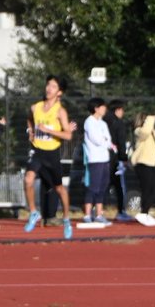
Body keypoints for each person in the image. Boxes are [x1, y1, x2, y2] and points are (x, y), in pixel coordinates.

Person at [22, 75, 77, 239]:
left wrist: (49, 131)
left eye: (53, 86)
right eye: (48, 85)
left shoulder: (60, 111)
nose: (49, 88)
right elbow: (29, 119)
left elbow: (68, 136)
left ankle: (67, 219)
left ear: (59, 92)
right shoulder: (35, 107)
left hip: (52, 155)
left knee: (59, 189)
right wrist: (30, 131)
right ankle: (33, 212)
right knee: (28, 179)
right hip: (38, 152)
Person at [81, 97, 114, 224]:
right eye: (102, 106)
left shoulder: (103, 123)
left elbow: (108, 140)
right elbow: (97, 140)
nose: (105, 109)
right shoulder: (89, 122)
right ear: (96, 108)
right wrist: (105, 141)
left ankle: (99, 215)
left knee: (103, 186)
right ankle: (87, 214)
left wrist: (106, 141)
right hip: (94, 159)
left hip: (105, 158)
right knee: (93, 187)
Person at [130, 112, 155, 226]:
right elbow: (145, 131)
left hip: (153, 164)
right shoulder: (138, 131)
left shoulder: (152, 132)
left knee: (154, 190)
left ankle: (146, 212)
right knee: (147, 189)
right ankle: (143, 213)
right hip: (143, 164)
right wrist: (151, 118)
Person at [104, 99, 132, 221]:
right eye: (122, 109)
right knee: (119, 186)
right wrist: (124, 158)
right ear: (117, 110)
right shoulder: (118, 123)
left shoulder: (103, 121)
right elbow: (121, 142)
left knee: (103, 185)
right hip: (114, 159)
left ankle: (97, 210)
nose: (123, 112)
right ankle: (121, 211)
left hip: (102, 158)